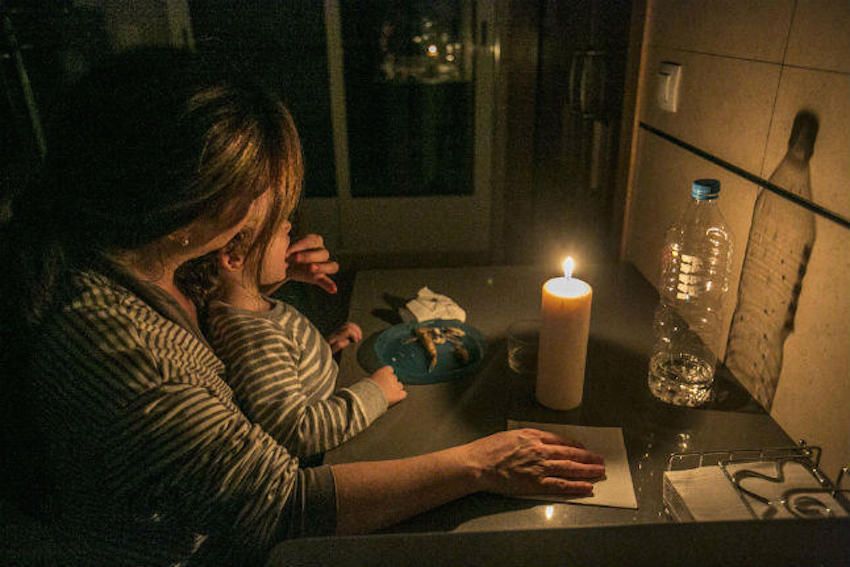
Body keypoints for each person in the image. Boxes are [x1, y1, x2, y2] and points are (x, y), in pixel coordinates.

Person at [0, 48, 605, 566]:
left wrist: (258, 280)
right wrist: (479, 463)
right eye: (255, 187)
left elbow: (217, 341)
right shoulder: (122, 356)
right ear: (184, 202)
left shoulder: (138, 260)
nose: (270, 206)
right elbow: (286, 508)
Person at [177, 203, 406, 461]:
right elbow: (297, 431)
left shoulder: (243, 311)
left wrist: (320, 350)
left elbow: (281, 369)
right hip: (327, 452)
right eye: (275, 224)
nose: (288, 225)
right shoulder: (254, 340)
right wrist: (376, 393)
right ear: (232, 257)